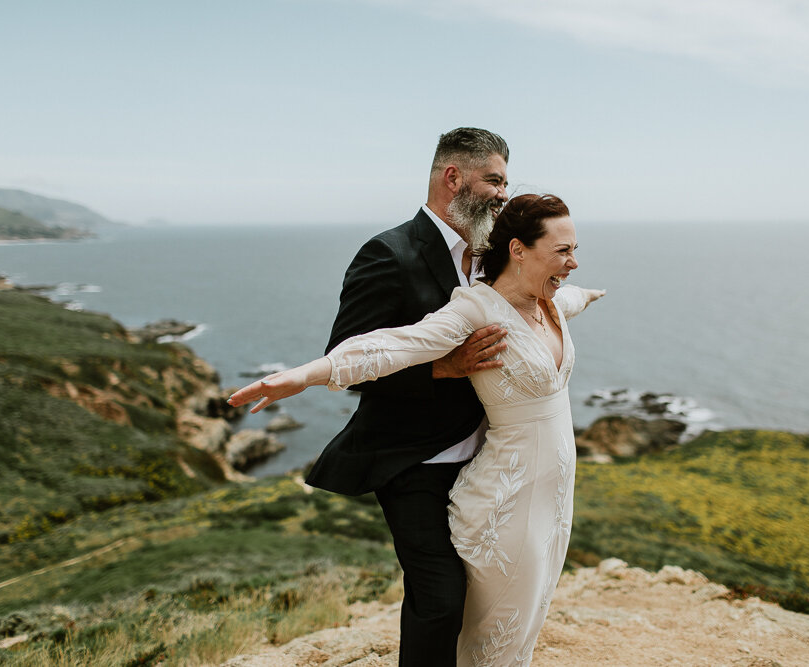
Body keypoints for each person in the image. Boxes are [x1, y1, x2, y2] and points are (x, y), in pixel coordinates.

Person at [229, 193, 604, 665]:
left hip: (554, 496)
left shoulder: (547, 302)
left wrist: (590, 294)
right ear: (518, 250)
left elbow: (573, 297)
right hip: (509, 501)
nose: (573, 262)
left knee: (530, 616)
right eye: (563, 251)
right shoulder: (476, 309)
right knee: (496, 633)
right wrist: (306, 374)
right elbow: (395, 346)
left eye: (574, 250)